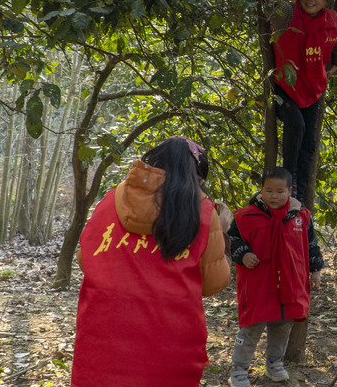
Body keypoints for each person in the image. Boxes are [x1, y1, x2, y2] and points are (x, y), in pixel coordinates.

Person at [73, 136, 231, 386]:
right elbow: (213, 283)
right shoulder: (204, 212)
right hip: (168, 342)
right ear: (196, 177)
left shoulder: (111, 199)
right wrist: (220, 230)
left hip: (103, 338)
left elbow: (86, 261)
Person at [228, 167, 323, 386]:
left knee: (282, 325)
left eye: (280, 191)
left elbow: (311, 246)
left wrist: (315, 271)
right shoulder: (246, 216)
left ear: (290, 191)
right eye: (268, 190)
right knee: (251, 327)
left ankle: (274, 363)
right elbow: (232, 240)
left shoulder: (301, 217)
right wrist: (244, 254)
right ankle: (239, 371)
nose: (274, 196)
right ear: (261, 190)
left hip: (289, 283)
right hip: (258, 284)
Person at [269, 0, 337, 202]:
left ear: (326, 0)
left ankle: (300, 193)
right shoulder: (290, 14)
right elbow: (276, 7)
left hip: (313, 91)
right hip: (286, 88)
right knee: (296, 124)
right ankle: (288, 182)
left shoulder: (332, 22)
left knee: (309, 145)